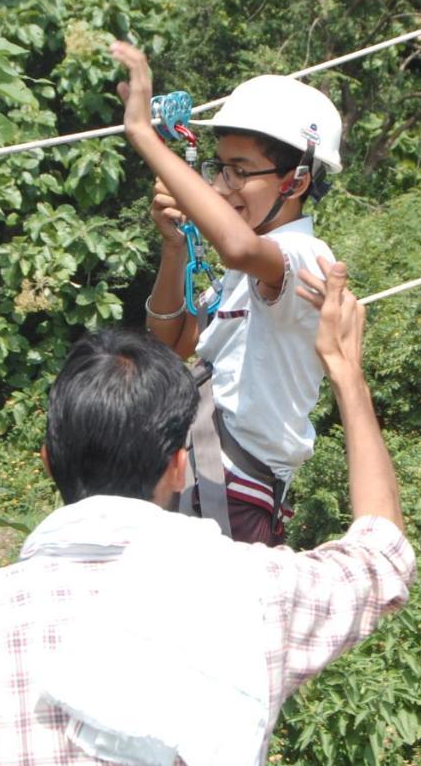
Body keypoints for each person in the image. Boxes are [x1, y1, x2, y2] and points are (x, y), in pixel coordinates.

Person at [0, 260, 414, 766]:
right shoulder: (251, 589)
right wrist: (348, 374)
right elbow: (384, 554)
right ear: (180, 467)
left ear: (47, 461)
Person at [112, 40, 343, 545]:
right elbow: (169, 344)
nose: (221, 186)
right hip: (200, 481)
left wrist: (145, 138)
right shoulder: (244, 275)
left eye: (241, 171)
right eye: (220, 168)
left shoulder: (303, 257)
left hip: (234, 497)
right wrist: (174, 249)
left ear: (297, 180)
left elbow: (237, 246)